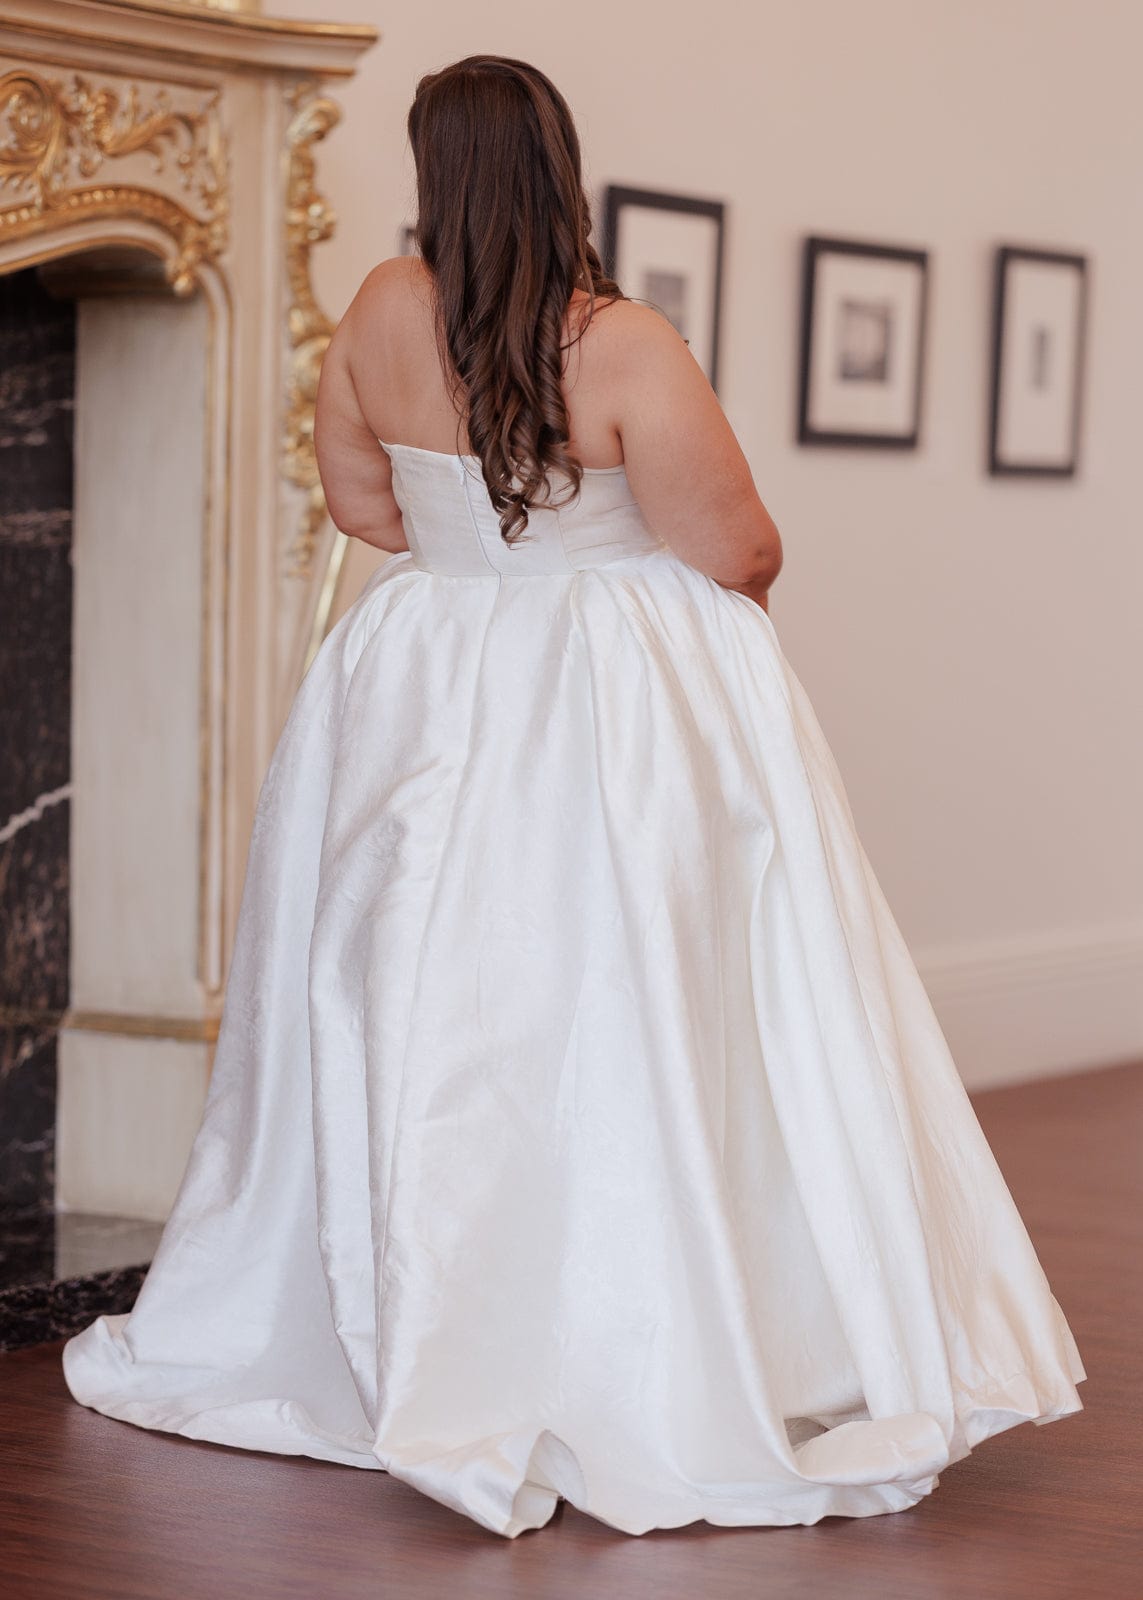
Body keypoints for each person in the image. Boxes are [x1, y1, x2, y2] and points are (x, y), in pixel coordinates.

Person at [62, 54, 1086, 1540]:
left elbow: (362, 508)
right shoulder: (621, 343)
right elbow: (737, 547)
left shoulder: (379, 310)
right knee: (629, 999)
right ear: (560, 166)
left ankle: (433, 1325)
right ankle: (644, 1338)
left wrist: (473, 553)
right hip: (603, 711)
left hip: (421, 697)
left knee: (433, 1004)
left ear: (435, 171)